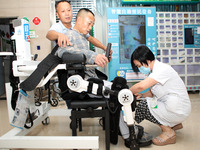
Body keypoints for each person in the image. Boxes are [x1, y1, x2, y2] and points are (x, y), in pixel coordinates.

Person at [120, 45, 191, 146]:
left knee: (143, 106)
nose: (139, 69)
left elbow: (141, 86)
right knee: (148, 102)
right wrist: (141, 95)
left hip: (178, 108)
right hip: (174, 106)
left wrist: (125, 93)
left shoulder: (161, 70)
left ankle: (169, 132)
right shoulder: (155, 71)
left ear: (147, 61)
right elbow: (153, 92)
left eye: (139, 66)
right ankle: (174, 124)